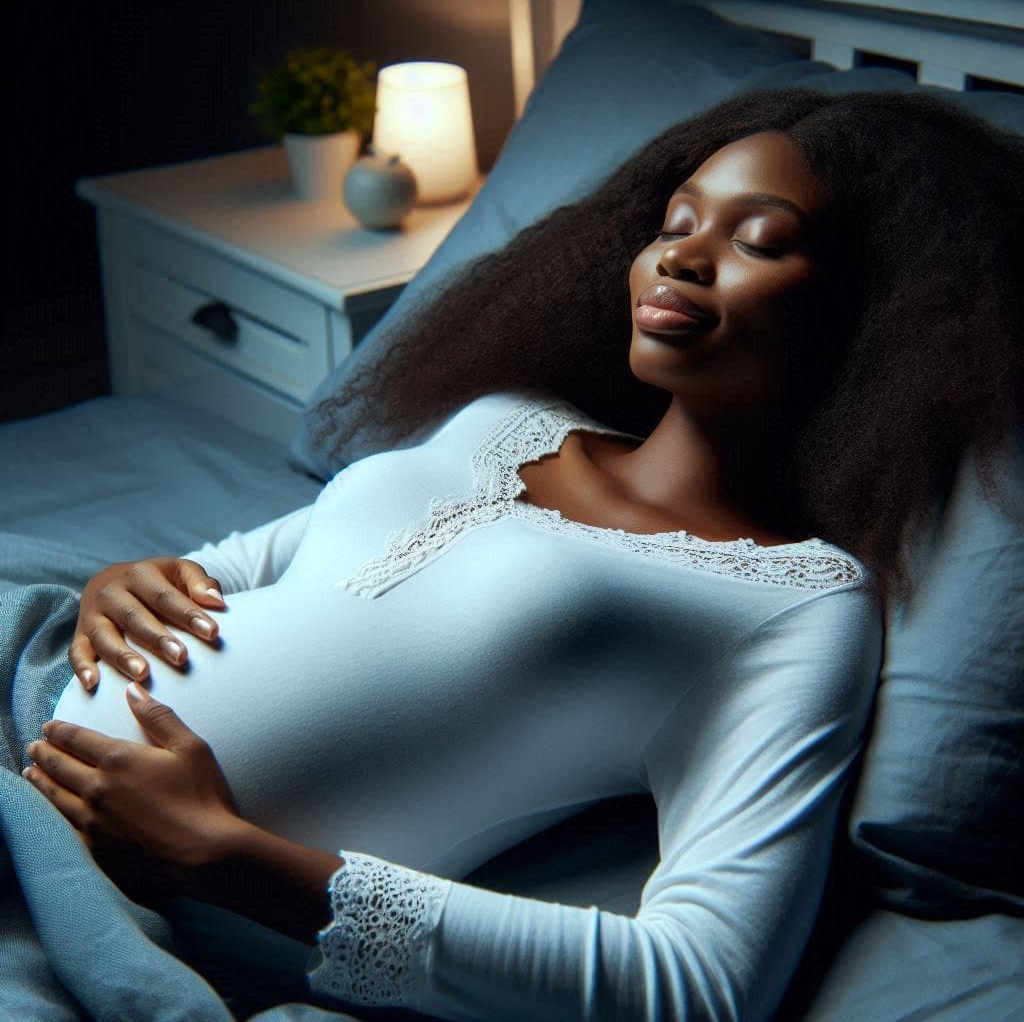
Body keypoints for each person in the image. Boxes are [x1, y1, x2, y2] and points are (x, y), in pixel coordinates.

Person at [20, 89, 1023, 1021]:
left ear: (867, 312)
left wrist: (225, 858)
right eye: (674, 224)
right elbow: (252, 562)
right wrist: (127, 580)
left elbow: (704, 979)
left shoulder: (796, 603)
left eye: (757, 241)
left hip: (138, 919)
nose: (681, 256)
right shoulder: (501, 420)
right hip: (31, 701)